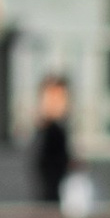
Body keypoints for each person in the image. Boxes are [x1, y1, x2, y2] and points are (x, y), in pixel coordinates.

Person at [25, 69, 74, 205]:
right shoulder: (47, 132)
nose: (58, 103)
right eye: (53, 97)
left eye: (62, 97)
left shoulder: (56, 130)